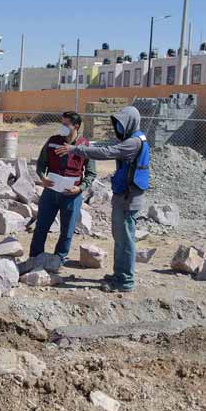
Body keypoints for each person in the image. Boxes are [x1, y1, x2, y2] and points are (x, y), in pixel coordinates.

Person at [55, 106, 149, 292]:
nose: (118, 128)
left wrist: (75, 149)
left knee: (125, 241)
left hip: (129, 199)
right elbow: (106, 148)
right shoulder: (132, 139)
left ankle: (125, 281)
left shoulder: (133, 143)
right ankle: (119, 274)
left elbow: (107, 152)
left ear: (130, 122)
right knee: (120, 239)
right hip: (124, 197)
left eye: (122, 123)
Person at [29, 111, 96, 264]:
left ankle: (59, 258)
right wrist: (43, 177)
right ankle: (35, 257)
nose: (63, 127)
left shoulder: (84, 145)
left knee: (67, 230)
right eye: (62, 123)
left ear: (76, 126)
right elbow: (41, 163)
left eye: (66, 124)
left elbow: (91, 173)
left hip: (71, 195)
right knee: (41, 227)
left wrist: (80, 188)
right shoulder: (53, 141)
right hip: (50, 193)